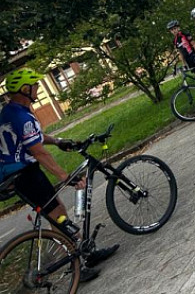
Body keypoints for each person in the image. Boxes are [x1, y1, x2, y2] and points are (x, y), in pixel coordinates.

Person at [0, 69, 118, 281]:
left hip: (17, 174)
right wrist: (66, 177)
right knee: (57, 215)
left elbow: (34, 136)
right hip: (24, 174)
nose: (37, 88)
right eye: (34, 85)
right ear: (25, 89)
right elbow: (39, 152)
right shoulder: (21, 116)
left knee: (57, 212)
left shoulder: (11, 111)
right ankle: (74, 266)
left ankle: (84, 255)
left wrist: (58, 141)